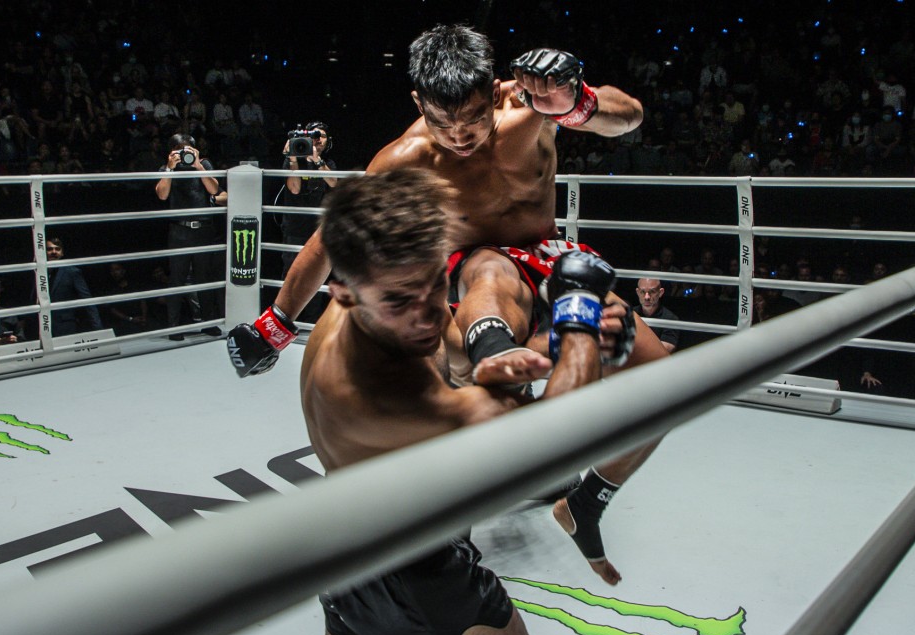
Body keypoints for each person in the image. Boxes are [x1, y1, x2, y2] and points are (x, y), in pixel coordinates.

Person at [233, 24, 669, 585]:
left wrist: (579, 101)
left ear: (494, 91)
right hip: (471, 274)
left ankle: (584, 504)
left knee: (657, 376)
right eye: (444, 122)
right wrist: (277, 322)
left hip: (549, 256)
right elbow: (333, 237)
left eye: (471, 117)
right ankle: (453, 509)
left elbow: (628, 116)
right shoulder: (406, 157)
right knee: (484, 289)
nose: (460, 135)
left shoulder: (534, 104)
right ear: (419, 104)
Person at [294, 168, 624, 635]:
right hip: (419, 567)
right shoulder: (367, 390)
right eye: (401, 301)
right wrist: (580, 322)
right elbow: (555, 439)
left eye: (434, 287)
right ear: (342, 290)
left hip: (339, 544)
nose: (427, 316)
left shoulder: (386, 303)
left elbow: (460, 358)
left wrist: (542, 345)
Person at [154, 133, 223, 340]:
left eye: (188, 150)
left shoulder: (205, 164)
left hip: (203, 228)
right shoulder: (166, 169)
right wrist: (170, 169)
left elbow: (214, 189)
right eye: (180, 150)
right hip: (179, 230)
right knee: (177, 279)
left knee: (204, 278)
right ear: (171, 152)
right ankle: (174, 327)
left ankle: (208, 323)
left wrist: (199, 166)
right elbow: (162, 195)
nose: (184, 154)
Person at [277, 121, 337, 322]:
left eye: (321, 137)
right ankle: (288, 322)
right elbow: (294, 188)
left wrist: (317, 160)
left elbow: (334, 183)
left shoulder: (328, 163)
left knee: (317, 278)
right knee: (291, 278)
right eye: (314, 136)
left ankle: (312, 324)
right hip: (295, 227)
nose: (317, 140)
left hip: (319, 231)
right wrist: (293, 159)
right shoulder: (293, 160)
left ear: (328, 142)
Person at [41, 236, 104, 336]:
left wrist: (99, 330)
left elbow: (87, 301)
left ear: (62, 253)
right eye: (49, 249)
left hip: (66, 329)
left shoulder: (72, 272)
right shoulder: (39, 274)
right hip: (43, 329)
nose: (54, 252)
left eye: (57, 249)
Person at [632, 277, 679, 352]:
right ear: (637, 292)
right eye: (642, 292)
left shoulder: (670, 319)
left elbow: (665, 350)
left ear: (661, 292)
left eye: (652, 292)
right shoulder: (629, 314)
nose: (647, 297)